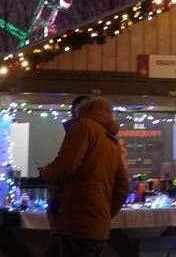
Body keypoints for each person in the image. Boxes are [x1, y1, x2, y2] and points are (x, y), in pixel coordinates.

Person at [40, 96, 129, 257]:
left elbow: (65, 166)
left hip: (77, 222)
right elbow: (122, 188)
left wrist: (45, 172)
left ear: (83, 110)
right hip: (97, 226)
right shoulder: (113, 142)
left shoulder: (82, 126)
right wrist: (103, 214)